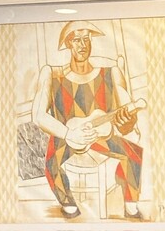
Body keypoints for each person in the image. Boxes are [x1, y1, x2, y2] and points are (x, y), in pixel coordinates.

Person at [32, 20, 143, 219]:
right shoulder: (52, 74)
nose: (82, 45)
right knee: (51, 163)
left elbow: (125, 108)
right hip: (66, 137)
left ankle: (130, 203)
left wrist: (128, 120)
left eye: (86, 39)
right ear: (68, 43)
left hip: (101, 137)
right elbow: (38, 115)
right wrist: (68, 133)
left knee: (134, 154)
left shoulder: (111, 72)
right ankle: (68, 203)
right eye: (76, 40)